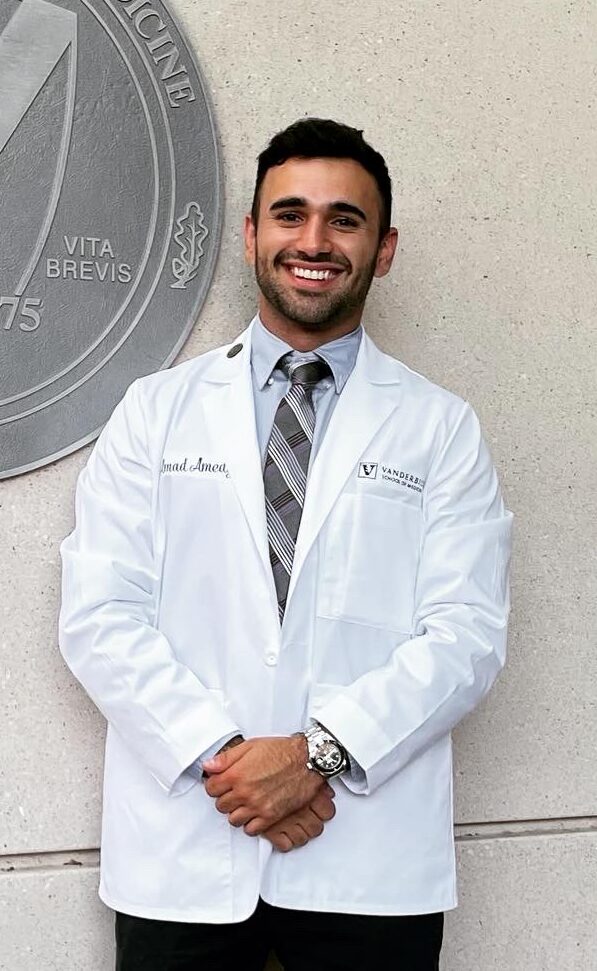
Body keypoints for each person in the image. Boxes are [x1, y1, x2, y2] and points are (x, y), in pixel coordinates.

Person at [59, 118, 513, 971]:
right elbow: (99, 614)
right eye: (290, 213)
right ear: (250, 235)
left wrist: (316, 755)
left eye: (345, 219)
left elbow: (465, 635)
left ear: (382, 249)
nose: (314, 240)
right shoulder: (154, 411)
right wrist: (229, 760)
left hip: (365, 860)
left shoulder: (439, 428)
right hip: (187, 845)